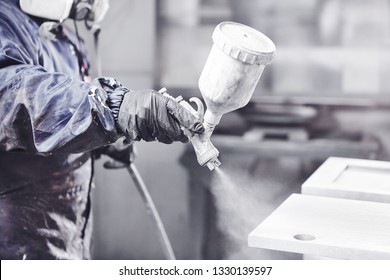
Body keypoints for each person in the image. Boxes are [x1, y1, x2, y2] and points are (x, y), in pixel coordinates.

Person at [0, 0, 204, 259]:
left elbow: (58, 123)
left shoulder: (65, 38)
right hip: (16, 243)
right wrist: (115, 109)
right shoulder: (5, 23)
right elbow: (13, 97)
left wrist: (103, 137)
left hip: (67, 234)